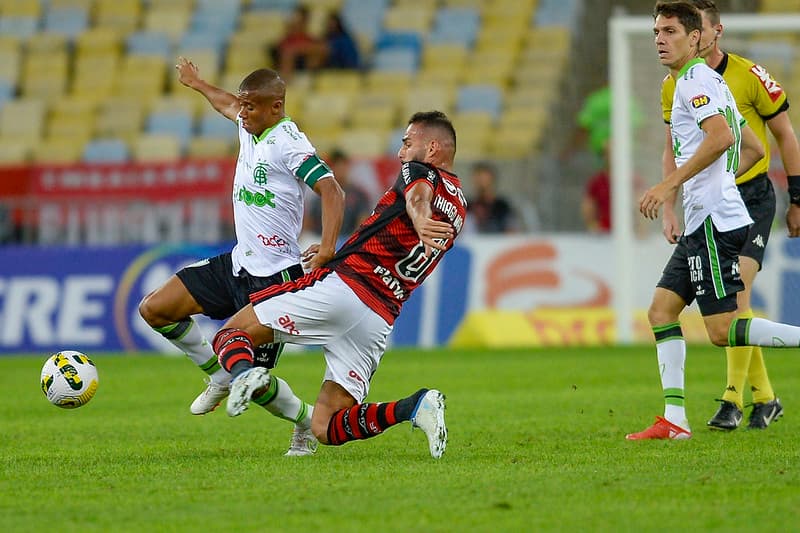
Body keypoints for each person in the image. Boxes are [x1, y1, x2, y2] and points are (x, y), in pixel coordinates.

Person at [208, 111, 465, 459]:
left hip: (344, 289)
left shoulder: (420, 173)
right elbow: (391, 240)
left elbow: (416, 198)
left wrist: (419, 218)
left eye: (407, 143)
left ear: (432, 148)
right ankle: (415, 407)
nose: (401, 153)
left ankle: (244, 375)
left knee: (231, 335)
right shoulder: (459, 205)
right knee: (326, 425)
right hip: (379, 316)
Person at [138, 57, 345, 456]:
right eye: (244, 104)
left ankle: (303, 423)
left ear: (277, 107)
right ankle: (218, 376)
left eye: (251, 105)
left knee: (255, 380)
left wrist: (328, 247)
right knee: (155, 309)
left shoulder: (289, 141)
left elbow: (332, 191)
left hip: (274, 281)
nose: (243, 111)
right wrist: (198, 83)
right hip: (238, 263)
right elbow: (225, 104)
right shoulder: (249, 124)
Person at [627, 1, 800, 441]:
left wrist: (671, 188)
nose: (660, 40)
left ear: (696, 37)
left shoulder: (695, 81)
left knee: (722, 331)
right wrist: (717, 180)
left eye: (670, 32)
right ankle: (675, 421)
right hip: (708, 214)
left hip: (714, 222)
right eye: (656, 32)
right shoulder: (701, 81)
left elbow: (720, 137)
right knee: (662, 310)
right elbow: (753, 149)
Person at [304, 149, 371, 236]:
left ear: (347, 167)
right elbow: (309, 222)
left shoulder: (358, 194)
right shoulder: (321, 194)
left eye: (342, 166)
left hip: (347, 239)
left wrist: (351, 242)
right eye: (336, 166)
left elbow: (363, 221)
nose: (340, 170)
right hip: (320, 239)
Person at [466, 161, 516, 233]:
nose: (481, 182)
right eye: (478, 178)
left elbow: (511, 230)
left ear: (492, 180)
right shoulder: (467, 206)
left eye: (484, 179)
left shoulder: (502, 207)